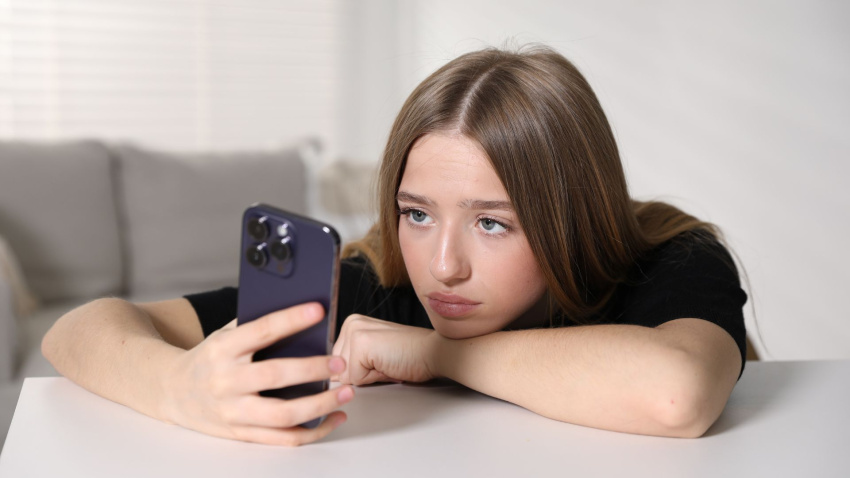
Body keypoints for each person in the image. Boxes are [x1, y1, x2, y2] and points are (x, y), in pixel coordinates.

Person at [42, 45, 747, 446]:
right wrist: (176, 388)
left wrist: (435, 352)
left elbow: (675, 395)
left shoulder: (670, 257)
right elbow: (76, 333)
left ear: (570, 215)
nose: (442, 266)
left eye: (491, 222)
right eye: (417, 214)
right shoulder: (379, 282)